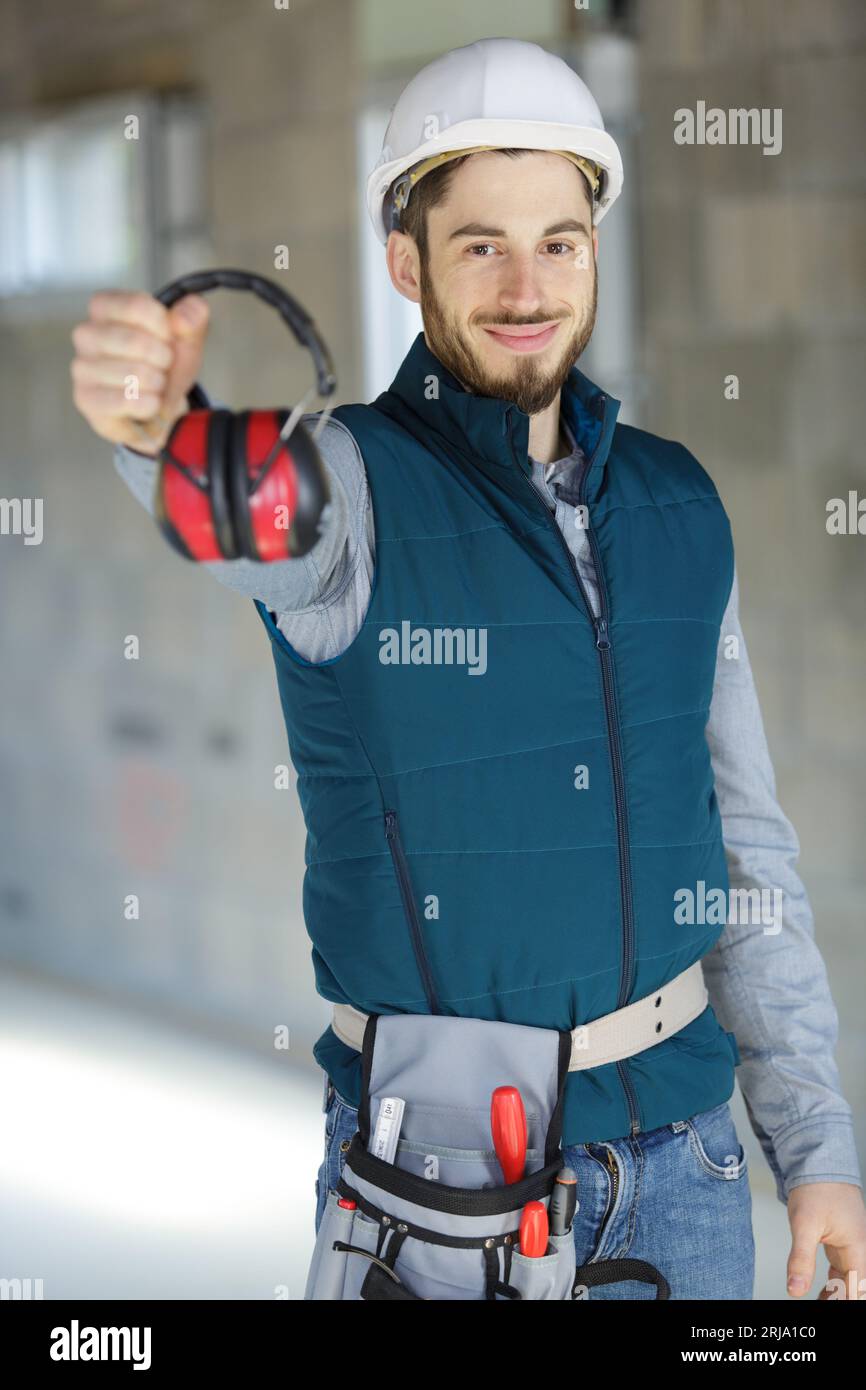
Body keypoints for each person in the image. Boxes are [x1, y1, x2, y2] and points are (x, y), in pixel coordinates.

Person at [70, 37, 864, 1300]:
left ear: (594, 247)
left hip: (688, 1179)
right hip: (437, 1194)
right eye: (479, 242)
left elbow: (745, 848)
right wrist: (159, 427)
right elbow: (246, 512)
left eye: (557, 239)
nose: (525, 282)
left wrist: (814, 1145)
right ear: (407, 260)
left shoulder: (675, 504)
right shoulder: (352, 487)